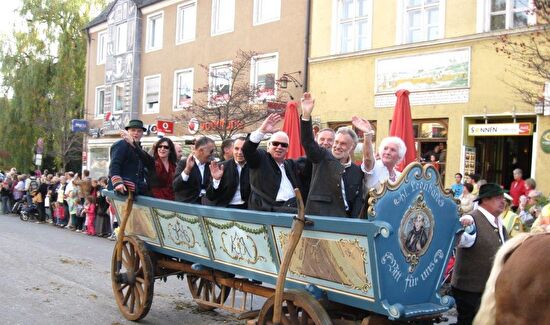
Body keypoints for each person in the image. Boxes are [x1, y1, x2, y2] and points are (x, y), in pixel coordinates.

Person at [451, 183, 508, 325]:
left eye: (503, 198)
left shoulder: (500, 224)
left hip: (489, 289)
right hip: (470, 290)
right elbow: (460, 240)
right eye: (498, 198)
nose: (503, 201)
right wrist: (462, 228)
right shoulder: (471, 220)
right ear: (485, 200)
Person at [300, 92, 364, 217]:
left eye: (343, 144)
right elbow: (307, 142)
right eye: (336, 142)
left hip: (345, 221)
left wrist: (356, 223)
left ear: (352, 147)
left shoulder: (356, 171)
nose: (337, 146)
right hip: (320, 218)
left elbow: (357, 201)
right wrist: (306, 115)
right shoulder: (322, 157)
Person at [242, 113, 301, 213]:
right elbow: (248, 150)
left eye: (284, 145)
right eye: (275, 143)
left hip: (293, 208)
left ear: (287, 149)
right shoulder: (262, 158)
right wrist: (261, 131)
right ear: (268, 145)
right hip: (269, 211)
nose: (279, 147)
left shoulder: (290, 165)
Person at [352, 116, 406, 193]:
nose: (387, 152)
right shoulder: (374, 167)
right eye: (385, 148)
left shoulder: (400, 176)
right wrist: (367, 134)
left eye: (393, 150)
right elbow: (367, 159)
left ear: (399, 156)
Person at [121, 133, 177, 200]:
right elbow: (142, 154)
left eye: (166, 147)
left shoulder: (174, 166)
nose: (162, 149)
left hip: (172, 200)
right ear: (156, 148)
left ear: (170, 150)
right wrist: (132, 142)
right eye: (160, 146)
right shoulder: (153, 163)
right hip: (155, 200)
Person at [206, 137, 250, 209]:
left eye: (243, 149)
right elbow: (210, 196)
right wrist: (216, 180)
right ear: (232, 149)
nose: (239, 152)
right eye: (236, 148)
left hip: (248, 208)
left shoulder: (253, 167)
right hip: (226, 208)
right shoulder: (221, 167)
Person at [109, 119, 148, 195]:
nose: (136, 133)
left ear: (142, 133)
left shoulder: (140, 149)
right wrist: (118, 183)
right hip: (121, 190)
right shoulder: (121, 144)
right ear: (128, 132)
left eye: (139, 131)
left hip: (134, 191)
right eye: (133, 130)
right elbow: (115, 164)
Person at [173, 136, 215, 204]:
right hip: (187, 206)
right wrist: (187, 170)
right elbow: (176, 186)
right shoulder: (184, 163)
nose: (213, 154)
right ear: (201, 151)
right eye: (211, 151)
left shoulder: (211, 165)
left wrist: (216, 179)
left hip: (205, 207)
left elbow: (213, 192)